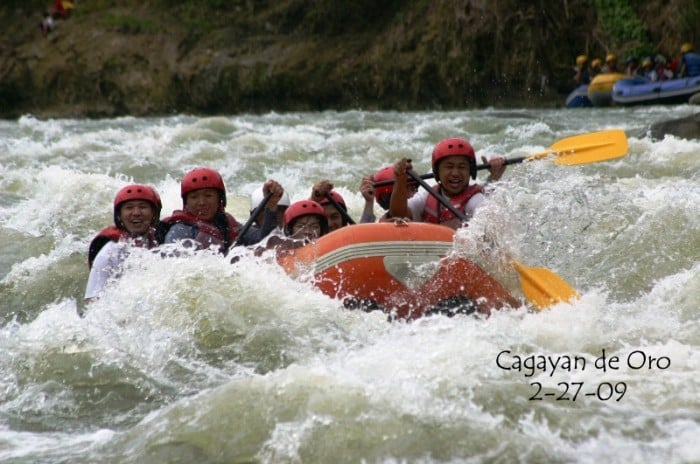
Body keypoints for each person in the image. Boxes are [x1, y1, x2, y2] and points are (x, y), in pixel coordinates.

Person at [389, 137, 506, 230]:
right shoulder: (427, 196)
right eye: (449, 167)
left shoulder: (476, 200)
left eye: (462, 167)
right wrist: (400, 180)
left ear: (471, 171)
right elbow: (399, 215)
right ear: (437, 171)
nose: (455, 173)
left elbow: (489, 223)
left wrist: (494, 177)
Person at [159, 167, 283, 252]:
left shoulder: (227, 224)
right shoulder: (180, 230)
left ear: (220, 199)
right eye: (194, 197)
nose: (201, 202)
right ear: (186, 203)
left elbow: (265, 240)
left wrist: (271, 206)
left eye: (208, 196)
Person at [85, 184, 162, 302]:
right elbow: (93, 300)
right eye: (129, 208)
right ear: (119, 215)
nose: (136, 213)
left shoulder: (161, 243)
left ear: (153, 214)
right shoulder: (110, 252)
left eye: (143, 207)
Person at [255, 200, 329, 256]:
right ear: (290, 230)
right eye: (300, 226)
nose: (308, 231)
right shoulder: (278, 248)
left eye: (314, 226)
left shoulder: (327, 247)